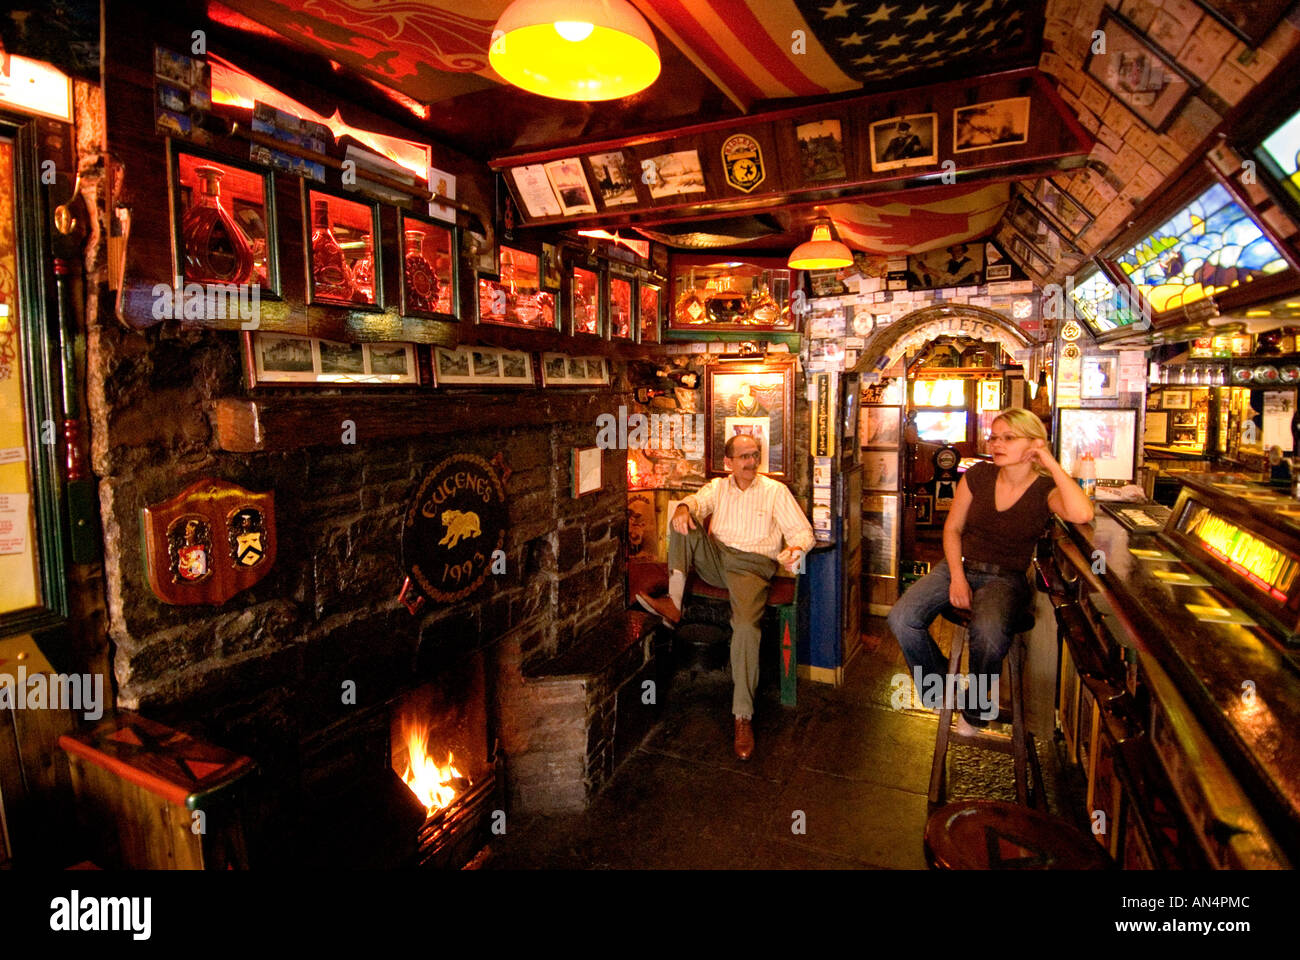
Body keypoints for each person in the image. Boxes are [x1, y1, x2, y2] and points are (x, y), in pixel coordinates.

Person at [887, 408, 1093, 733]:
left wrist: (1050, 462)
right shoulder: (978, 475)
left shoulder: (1044, 490)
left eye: (1008, 438)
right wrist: (956, 576)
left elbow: (1081, 513)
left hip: (1005, 578)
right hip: (960, 565)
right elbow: (952, 529)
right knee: (902, 618)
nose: (997, 444)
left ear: (1033, 444)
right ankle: (944, 689)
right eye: (995, 437)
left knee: (989, 633)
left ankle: (977, 708)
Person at [635, 434, 813, 760]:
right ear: (729, 463)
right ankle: (675, 604)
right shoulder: (719, 487)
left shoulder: (775, 492)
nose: (750, 462)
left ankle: (742, 715)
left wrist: (795, 548)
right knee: (681, 517)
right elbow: (697, 503)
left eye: (754, 455)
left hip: (751, 567)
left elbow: (803, 532)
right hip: (717, 559)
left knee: (745, 627)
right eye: (743, 456)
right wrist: (685, 509)